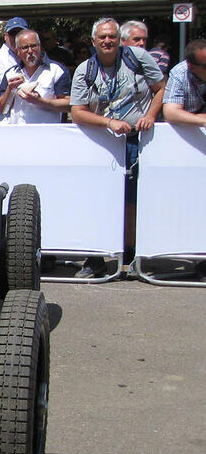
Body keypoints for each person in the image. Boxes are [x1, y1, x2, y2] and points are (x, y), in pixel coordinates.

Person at [69, 18, 165, 279]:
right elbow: (77, 112)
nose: (107, 41)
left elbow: (161, 89)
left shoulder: (138, 57)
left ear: (118, 39)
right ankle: (96, 259)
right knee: (98, 199)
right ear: (93, 41)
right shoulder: (84, 70)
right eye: (102, 37)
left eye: (112, 36)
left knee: (134, 200)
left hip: (138, 141)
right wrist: (108, 122)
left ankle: (133, 257)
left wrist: (151, 116)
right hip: (102, 144)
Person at [0, 30, 71, 124]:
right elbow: (2, 109)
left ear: (40, 47)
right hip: (19, 135)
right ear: (18, 51)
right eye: (25, 48)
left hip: (47, 134)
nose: (30, 51)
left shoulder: (57, 71)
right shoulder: (10, 74)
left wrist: (41, 102)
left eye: (33, 46)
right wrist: (9, 89)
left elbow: (69, 105)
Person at [160, 39, 206, 127]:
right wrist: (202, 120)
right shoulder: (179, 73)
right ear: (191, 67)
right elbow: (170, 113)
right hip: (187, 132)